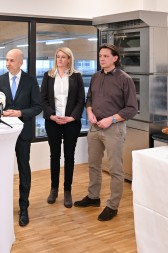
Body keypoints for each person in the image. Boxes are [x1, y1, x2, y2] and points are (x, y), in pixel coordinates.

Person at [74, 44, 138, 221]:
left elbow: (132, 108)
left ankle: (112, 206)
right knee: (93, 165)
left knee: (115, 169)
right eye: (100, 56)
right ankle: (93, 197)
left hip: (114, 129)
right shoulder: (95, 76)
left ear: (115, 58)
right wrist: (89, 112)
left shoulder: (125, 79)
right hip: (95, 127)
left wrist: (112, 119)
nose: (101, 59)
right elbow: (89, 99)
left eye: (105, 56)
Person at [0, 49, 42, 227]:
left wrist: (19, 113)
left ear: (20, 62)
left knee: (24, 169)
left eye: (11, 60)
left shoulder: (31, 81)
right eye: (6, 60)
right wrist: (2, 113)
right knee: (0, 170)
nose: (7, 63)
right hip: (3, 132)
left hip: (23, 133)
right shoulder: (0, 80)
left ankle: (23, 208)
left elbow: (37, 107)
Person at [41, 47, 85, 208]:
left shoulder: (76, 76)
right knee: (54, 156)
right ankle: (54, 189)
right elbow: (43, 98)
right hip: (53, 121)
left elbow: (81, 99)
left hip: (71, 122)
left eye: (63, 57)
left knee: (69, 156)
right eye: (58, 57)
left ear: (69, 60)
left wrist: (71, 117)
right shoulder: (48, 75)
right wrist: (51, 115)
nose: (60, 59)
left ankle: (67, 191)